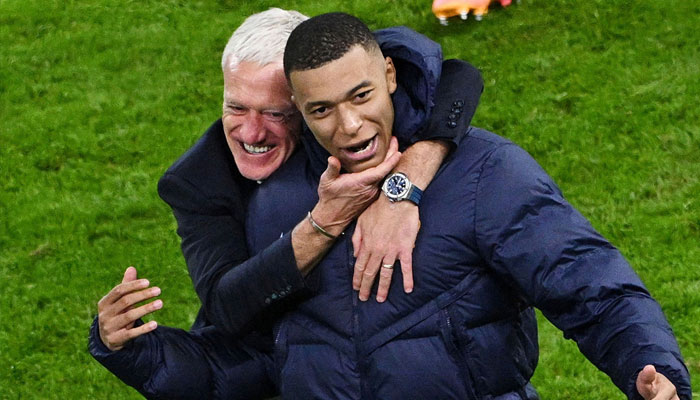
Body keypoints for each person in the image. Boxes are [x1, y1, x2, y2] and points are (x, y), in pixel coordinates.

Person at [225, 11, 690, 399]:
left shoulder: (486, 173)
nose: (348, 124)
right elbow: (248, 352)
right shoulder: (275, 201)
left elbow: (587, 281)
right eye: (322, 109)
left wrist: (648, 363)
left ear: (390, 74)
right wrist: (151, 355)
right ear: (298, 108)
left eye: (361, 96)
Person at [89, 8, 484, 398]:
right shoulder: (197, 183)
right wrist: (325, 222)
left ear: (311, 103)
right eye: (236, 107)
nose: (251, 131)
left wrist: (406, 183)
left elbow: (456, 76)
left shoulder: (344, 99)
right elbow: (226, 307)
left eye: (275, 113)